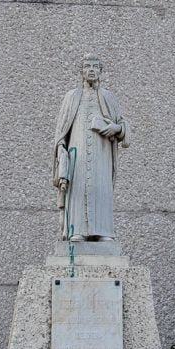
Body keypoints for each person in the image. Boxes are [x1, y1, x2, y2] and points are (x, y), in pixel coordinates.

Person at [52, 53, 130, 242]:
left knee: (100, 187)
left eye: (95, 66)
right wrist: (61, 149)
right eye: (87, 66)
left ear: (101, 71)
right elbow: (61, 131)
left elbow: (124, 126)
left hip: (101, 155)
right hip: (76, 154)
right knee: (78, 188)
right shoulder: (72, 97)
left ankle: (103, 231)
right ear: (81, 71)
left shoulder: (108, 97)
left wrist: (115, 128)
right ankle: (76, 229)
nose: (91, 70)